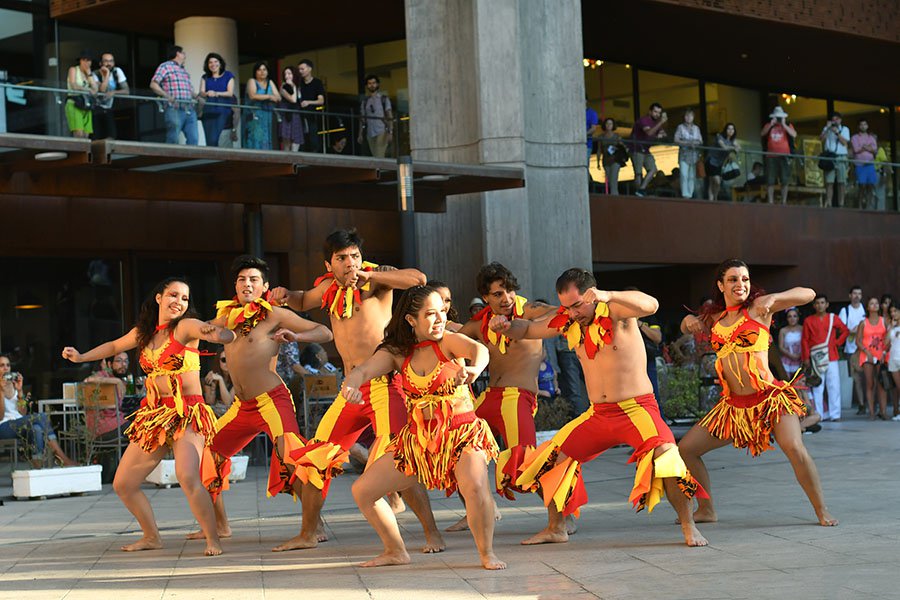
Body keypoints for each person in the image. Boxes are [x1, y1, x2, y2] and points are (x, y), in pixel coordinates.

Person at [493, 269, 708, 547]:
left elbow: (652, 304)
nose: (572, 313)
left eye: (577, 305)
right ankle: (556, 528)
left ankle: (689, 526)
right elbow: (528, 329)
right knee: (552, 457)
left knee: (667, 457)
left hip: (636, 409)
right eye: (567, 307)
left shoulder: (617, 311)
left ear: (592, 295)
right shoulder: (569, 321)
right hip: (598, 414)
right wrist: (505, 326)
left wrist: (610, 295)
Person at [268, 229, 444, 553]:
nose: (350, 263)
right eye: (342, 258)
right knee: (316, 457)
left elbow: (418, 279)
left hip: (384, 384)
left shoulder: (376, 280)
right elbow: (302, 300)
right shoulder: (327, 288)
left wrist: (370, 274)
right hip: (350, 388)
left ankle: (433, 534)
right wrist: (285, 294)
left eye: (355, 256)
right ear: (329, 264)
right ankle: (308, 533)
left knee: (398, 459)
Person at [61, 277, 237, 555]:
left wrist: (219, 334)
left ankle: (212, 539)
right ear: (159, 298)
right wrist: (81, 357)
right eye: (173, 295)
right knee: (123, 484)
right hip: (155, 415)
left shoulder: (185, 326)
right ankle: (151, 536)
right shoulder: (144, 333)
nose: (179, 302)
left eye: (185, 298)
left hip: (187, 412)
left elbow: (210, 332)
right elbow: (113, 347)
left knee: (187, 476)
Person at [343, 285, 504, 569]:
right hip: (419, 441)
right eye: (431, 313)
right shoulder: (397, 353)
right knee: (363, 491)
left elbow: (478, 349)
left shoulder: (448, 341)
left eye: (442, 311)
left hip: (461, 434)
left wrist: (475, 369)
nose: (440, 318)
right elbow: (364, 370)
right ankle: (395, 550)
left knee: (475, 485)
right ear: (411, 319)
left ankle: (487, 553)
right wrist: (350, 386)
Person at [679, 259, 837, 527]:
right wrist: (687, 320)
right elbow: (686, 327)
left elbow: (808, 294)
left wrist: (775, 297)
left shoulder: (759, 307)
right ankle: (706, 509)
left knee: (794, 447)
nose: (740, 284)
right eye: (733, 279)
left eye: (745, 279)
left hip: (769, 401)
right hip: (734, 408)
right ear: (721, 285)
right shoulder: (715, 318)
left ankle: (822, 510)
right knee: (686, 449)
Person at [198, 256, 333, 550]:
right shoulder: (227, 316)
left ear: (265, 287)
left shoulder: (274, 315)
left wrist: (296, 335)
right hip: (241, 406)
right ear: (235, 285)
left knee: (294, 459)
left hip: (272, 400)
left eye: (253, 279)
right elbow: (197, 329)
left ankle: (312, 528)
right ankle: (220, 525)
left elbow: (325, 332)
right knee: (209, 454)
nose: (247, 284)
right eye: (242, 279)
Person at [452, 263, 557, 532]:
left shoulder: (528, 310)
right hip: (488, 398)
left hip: (517, 398)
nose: (506, 298)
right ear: (485, 297)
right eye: (498, 294)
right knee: (454, 451)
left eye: (509, 291)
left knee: (526, 463)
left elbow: (560, 313)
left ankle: (560, 520)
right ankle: (477, 510)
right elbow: (448, 344)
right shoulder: (479, 324)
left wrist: (527, 325)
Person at [1, 354, 76, 467]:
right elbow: (1, 416)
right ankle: (62, 458)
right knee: (41, 417)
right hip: (3, 427)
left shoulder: (13, 385)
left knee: (36, 428)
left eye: (8, 365)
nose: (6, 368)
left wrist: (20, 391)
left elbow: (23, 412)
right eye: (2, 365)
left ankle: (38, 465)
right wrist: (1, 391)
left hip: (18, 423)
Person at [801, 294, 849, 422]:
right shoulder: (808, 321)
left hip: (832, 356)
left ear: (827, 304)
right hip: (815, 358)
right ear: (814, 305)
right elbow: (805, 340)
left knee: (834, 385)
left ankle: (835, 414)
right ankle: (819, 415)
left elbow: (845, 331)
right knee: (818, 385)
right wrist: (806, 358)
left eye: (822, 303)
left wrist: (837, 343)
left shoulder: (833, 318)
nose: (820, 305)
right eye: (817, 303)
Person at [149, 45, 198, 145]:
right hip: (174, 108)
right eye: (183, 53)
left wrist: (198, 97)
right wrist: (167, 96)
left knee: (194, 139)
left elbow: (190, 91)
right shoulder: (165, 66)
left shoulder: (183, 71)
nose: (185, 56)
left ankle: (191, 156)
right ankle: (169, 155)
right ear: (177, 53)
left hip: (189, 109)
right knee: (173, 138)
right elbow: (153, 84)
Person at [83, 351, 130, 438]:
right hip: (104, 428)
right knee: (142, 428)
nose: (123, 364)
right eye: (119, 361)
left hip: (115, 423)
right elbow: (88, 380)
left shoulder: (118, 380)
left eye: (126, 361)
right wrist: (117, 381)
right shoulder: (103, 376)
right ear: (109, 364)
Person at [856, 296, 888, 420]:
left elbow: (888, 337)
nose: (874, 305)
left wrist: (885, 352)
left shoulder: (884, 321)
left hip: (881, 355)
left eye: (876, 303)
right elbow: (858, 341)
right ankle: (871, 412)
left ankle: (883, 411)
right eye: (871, 303)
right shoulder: (863, 323)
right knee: (870, 383)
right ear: (868, 307)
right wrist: (866, 352)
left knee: (881, 383)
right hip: (867, 355)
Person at [838, 285, 866, 415]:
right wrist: (852, 330)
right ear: (850, 296)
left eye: (859, 294)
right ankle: (861, 404)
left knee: (869, 378)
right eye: (854, 293)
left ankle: (870, 403)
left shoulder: (865, 309)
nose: (857, 296)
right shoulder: (845, 311)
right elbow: (841, 329)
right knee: (857, 379)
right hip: (851, 349)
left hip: (866, 349)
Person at [198, 53, 235, 148]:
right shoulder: (205, 77)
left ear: (220, 63)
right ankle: (211, 157)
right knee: (210, 140)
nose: (213, 64)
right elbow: (201, 92)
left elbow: (230, 93)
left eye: (215, 61)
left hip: (223, 110)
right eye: (210, 62)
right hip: (208, 111)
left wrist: (216, 93)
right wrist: (206, 93)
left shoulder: (228, 75)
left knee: (219, 138)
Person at [631, 103, 667, 197]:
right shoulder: (644, 120)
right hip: (636, 148)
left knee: (653, 169)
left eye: (659, 113)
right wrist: (661, 123)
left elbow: (663, 134)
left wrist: (660, 133)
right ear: (650, 111)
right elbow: (649, 133)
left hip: (646, 150)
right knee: (638, 173)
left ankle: (641, 190)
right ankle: (638, 193)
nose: (657, 114)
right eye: (655, 112)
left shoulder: (656, 123)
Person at [761, 106, 796, 204]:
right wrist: (771, 124)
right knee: (770, 179)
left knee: (785, 179)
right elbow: (762, 133)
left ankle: (783, 202)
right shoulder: (769, 125)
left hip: (784, 156)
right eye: (777, 117)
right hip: (771, 156)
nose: (779, 119)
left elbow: (794, 134)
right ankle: (770, 201)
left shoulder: (788, 125)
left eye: (780, 117)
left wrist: (784, 124)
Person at [91, 52, 129, 140]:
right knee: (96, 136)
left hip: (110, 108)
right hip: (96, 108)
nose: (109, 63)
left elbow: (126, 91)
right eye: (106, 61)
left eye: (111, 61)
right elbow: (102, 90)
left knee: (111, 135)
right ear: (100, 63)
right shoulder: (95, 74)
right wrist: (107, 74)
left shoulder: (117, 71)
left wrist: (114, 92)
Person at [244, 62, 280, 150]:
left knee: (266, 138)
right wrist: (269, 96)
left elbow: (278, 97)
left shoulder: (270, 82)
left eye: (264, 69)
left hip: (267, 115)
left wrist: (270, 97)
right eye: (259, 70)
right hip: (254, 115)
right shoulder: (252, 81)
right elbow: (253, 96)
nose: (262, 72)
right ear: (255, 72)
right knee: (255, 138)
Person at [820, 112, 850, 208]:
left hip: (841, 157)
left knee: (841, 182)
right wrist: (827, 129)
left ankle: (841, 204)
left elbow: (844, 142)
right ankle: (829, 203)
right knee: (829, 182)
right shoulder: (827, 129)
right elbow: (821, 139)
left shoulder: (845, 129)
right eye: (833, 120)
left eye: (837, 119)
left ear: (840, 120)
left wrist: (837, 132)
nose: (835, 121)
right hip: (830, 157)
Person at [359, 75, 393, 158]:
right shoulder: (365, 101)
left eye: (374, 83)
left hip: (382, 131)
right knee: (375, 157)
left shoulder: (383, 99)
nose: (372, 85)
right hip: (370, 132)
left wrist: (390, 132)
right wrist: (360, 134)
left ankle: (380, 167)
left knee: (379, 156)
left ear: (377, 84)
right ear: (367, 85)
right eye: (369, 83)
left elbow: (389, 116)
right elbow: (362, 119)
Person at [66, 50, 98, 139]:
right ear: (80, 61)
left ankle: (85, 149)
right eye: (85, 60)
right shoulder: (73, 69)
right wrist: (88, 89)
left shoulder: (90, 74)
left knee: (86, 134)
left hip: (86, 104)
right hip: (74, 102)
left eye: (89, 60)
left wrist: (89, 74)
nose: (87, 63)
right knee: (78, 133)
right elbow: (73, 85)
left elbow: (95, 90)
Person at [706, 123, 740, 201]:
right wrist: (733, 148)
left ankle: (715, 198)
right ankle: (712, 199)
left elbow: (738, 147)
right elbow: (724, 147)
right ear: (725, 130)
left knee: (716, 182)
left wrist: (736, 148)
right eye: (729, 129)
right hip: (711, 160)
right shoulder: (720, 137)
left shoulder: (733, 140)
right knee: (714, 181)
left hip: (720, 163)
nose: (730, 130)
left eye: (732, 129)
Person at [297, 59, 326, 153]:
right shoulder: (299, 83)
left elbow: (321, 101)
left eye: (302, 69)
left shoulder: (317, 82)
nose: (300, 71)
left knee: (313, 139)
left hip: (312, 115)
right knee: (300, 140)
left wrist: (308, 102)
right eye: (299, 69)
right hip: (300, 115)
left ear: (309, 69)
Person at [673, 108, 703, 199]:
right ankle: (685, 194)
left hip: (694, 155)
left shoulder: (696, 128)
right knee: (684, 174)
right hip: (684, 154)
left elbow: (700, 141)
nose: (688, 117)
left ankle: (690, 194)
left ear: (693, 117)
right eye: (687, 116)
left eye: (690, 116)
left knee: (692, 176)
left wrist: (694, 143)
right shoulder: (680, 127)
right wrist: (687, 143)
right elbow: (676, 140)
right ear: (684, 117)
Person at [850, 119, 878, 209]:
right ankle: (860, 206)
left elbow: (875, 150)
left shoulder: (871, 138)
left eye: (865, 124)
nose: (863, 126)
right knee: (861, 186)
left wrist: (864, 147)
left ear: (867, 126)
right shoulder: (854, 137)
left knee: (870, 185)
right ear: (859, 126)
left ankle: (869, 206)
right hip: (860, 165)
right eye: (861, 124)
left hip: (870, 165)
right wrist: (867, 147)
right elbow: (856, 149)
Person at [278, 66, 304, 152]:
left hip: (296, 116)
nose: (287, 76)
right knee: (287, 145)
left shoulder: (298, 87)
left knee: (296, 143)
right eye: (285, 74)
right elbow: (293, 99)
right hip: (287, 117)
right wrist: (293, 86)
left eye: (289, 74)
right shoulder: (283, 87)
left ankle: (294, 161)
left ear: (294, 75)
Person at [203, 349, 234, 419]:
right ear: (218, 361)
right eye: (224, 360)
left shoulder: (237, 377)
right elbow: (209, 402)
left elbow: (228, 402)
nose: (227, 363)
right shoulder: (211, 375)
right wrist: (213, 389)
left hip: (231, 415)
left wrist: (220, 380)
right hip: (215, 414)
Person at [597, 117, 623, 195]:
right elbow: (599, 150)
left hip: (615, 159)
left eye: (610, 124)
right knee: (609, 180)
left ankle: (615, 197)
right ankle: (613, 196)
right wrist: (598, 162)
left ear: (613, 125)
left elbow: (621, 147)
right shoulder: (601, 137)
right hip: (606, 160)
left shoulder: (617, 136)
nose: (608, 125)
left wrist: (616, 148)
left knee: (613, 179)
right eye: (607, 124)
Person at [884, 305, 900, 420]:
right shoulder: (892, 327)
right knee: (898, 387)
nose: (893, 313)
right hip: (893, 359)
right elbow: (885, 343)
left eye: (895, 311)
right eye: (891, 312)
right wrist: (891, 328)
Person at [585, 101, 599, 166]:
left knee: (584, 165)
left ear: (586, 101)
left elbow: (593, 128)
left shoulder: (592, 113)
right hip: (574, 143)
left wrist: (582, 135)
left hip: (587, 144)